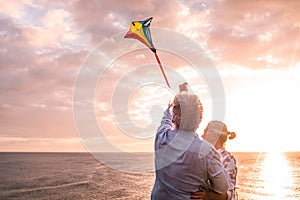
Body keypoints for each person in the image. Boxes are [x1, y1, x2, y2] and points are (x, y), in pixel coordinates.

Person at [151, 83, 230, 200]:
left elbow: (166, 118)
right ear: (199, 119)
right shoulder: (206, 151)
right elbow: (223, 188)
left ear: (174, 117)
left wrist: (176, 102)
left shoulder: (161, 137)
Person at [191, 121, 238, 200]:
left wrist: (209, 196)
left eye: (205, 131)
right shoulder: (204, 155)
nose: (202, 136)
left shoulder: (228, 160)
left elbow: (230, 195)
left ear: (214, 136)